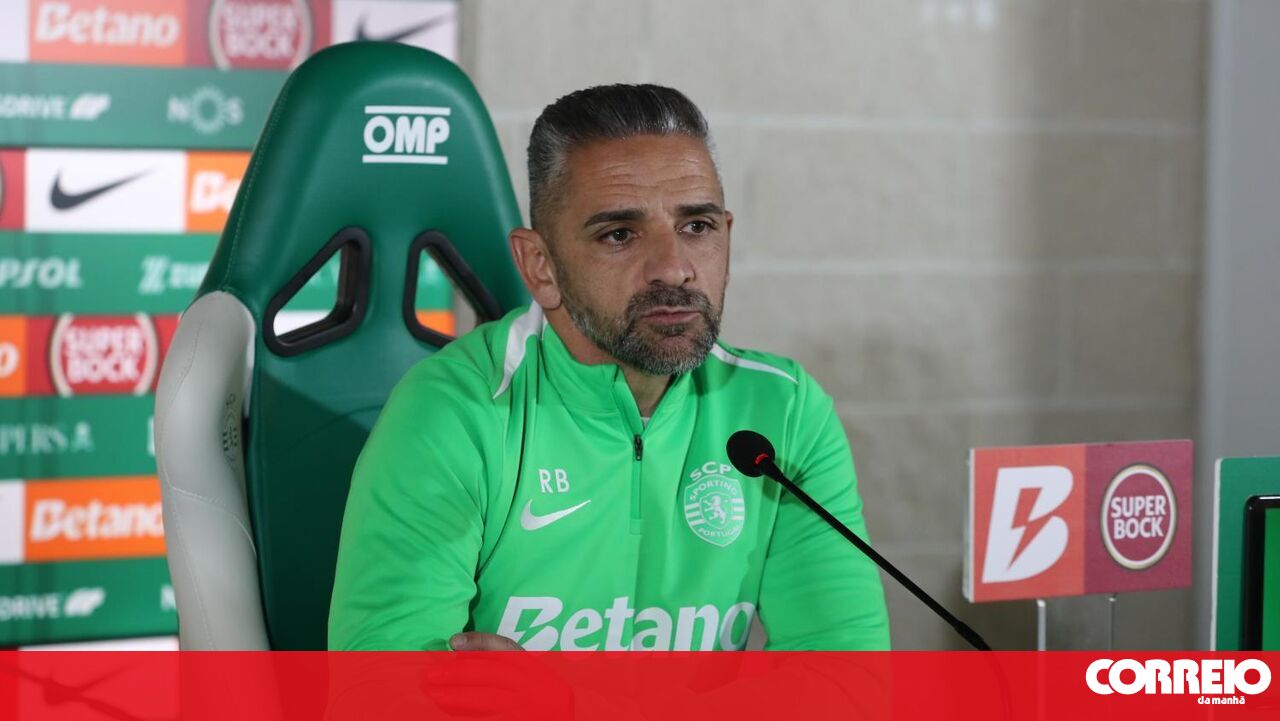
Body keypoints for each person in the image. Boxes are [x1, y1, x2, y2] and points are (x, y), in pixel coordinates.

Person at [327, 84, 890, 652]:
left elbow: (847, 677)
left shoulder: (785, 413)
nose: (674, 268)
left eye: (697, 227)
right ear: (540, 266)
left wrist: (559, 699)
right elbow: (380, 688)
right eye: (619, 235)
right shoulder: (453, 413)